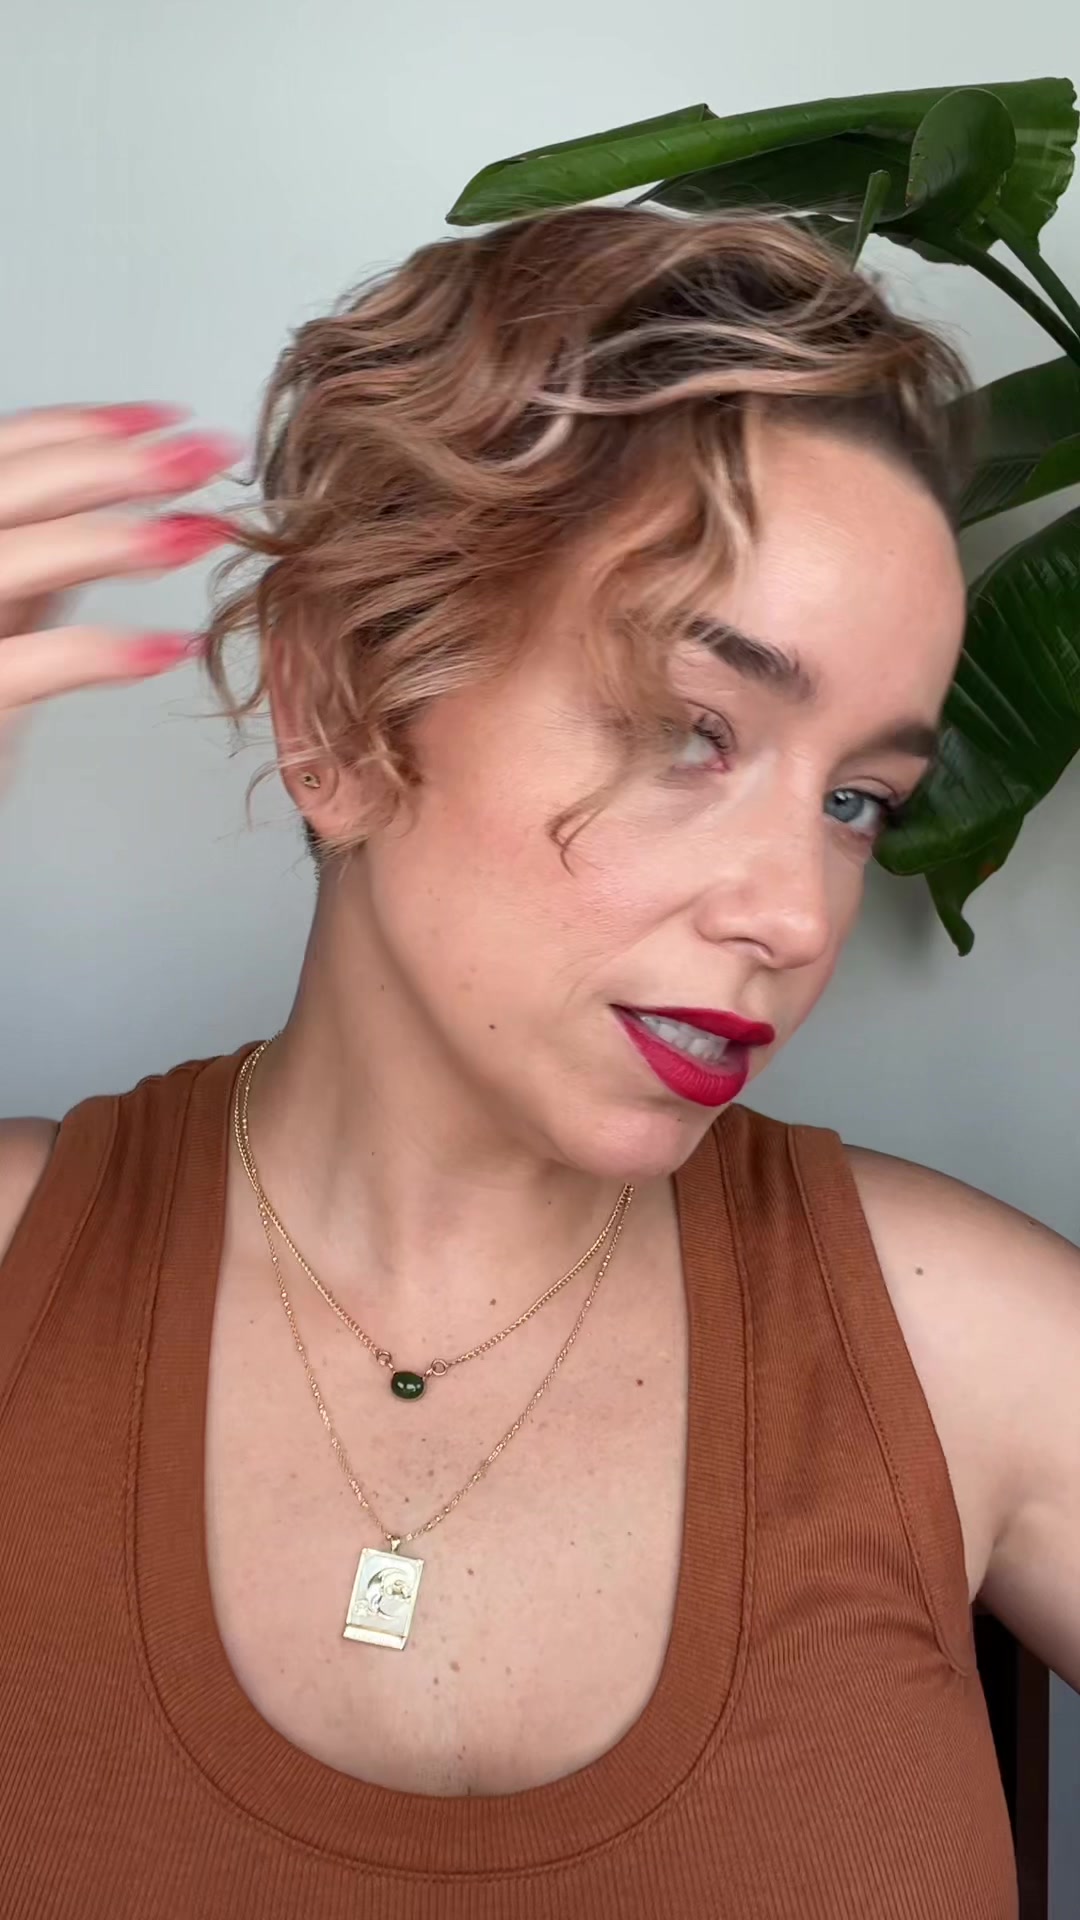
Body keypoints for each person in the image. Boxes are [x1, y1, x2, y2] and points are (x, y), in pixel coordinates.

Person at [0, 203, 1076, 1919]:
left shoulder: (974, 1347)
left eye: (856, 799)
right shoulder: (26, 1269)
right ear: (342, 712)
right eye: (693, 732)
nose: (797, 913)